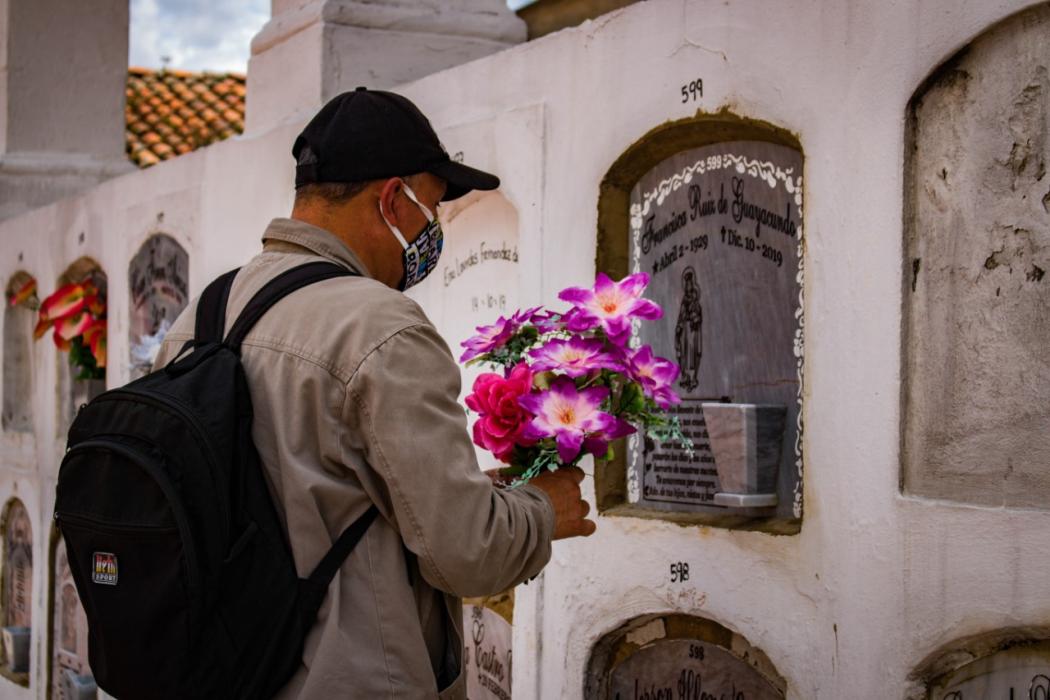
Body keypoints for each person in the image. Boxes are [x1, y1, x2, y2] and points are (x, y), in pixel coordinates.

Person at [152, 88, 595, 699]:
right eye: (430, 209)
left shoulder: (199, 318)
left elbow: (310, 491)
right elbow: (468, 554)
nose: (431, 232)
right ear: (392, 198)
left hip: (223, 674)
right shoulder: (381, 327)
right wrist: (545, 509)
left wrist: (467, 495)